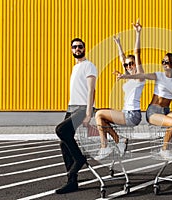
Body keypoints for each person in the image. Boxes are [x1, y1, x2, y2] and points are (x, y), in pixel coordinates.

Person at [117, 37, 172, 159]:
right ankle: (165, 150)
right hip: (153, 112)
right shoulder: (158, 75)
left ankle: (167, 148)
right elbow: (142, 75)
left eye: (167, 62)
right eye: (163, 62)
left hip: (165, 111)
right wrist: (125, 77)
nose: (164, 64)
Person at [95, 20, 145, 159]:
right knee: (101, 119)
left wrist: (138, 33)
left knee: (99, 114)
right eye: (127, 65)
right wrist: (118, 44)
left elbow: (137, 53)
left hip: (133, 115)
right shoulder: (128, 76)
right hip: (126, 113)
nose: (128, 66)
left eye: (131, 64)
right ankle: (119, 140)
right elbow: (122, 58)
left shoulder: (140, 76)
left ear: (136, 64)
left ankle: (106, 146)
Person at [55, 38, 97, 194]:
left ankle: (79, 159)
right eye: (74, 47)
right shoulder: (75, 67)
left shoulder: (89, 66)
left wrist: (88, 113)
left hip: (82, 108)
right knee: (63, 143)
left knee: (60, 130)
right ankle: (71, 180)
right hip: (71, 107)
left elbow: (91, 90)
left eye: (80, 46)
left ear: (85, 48)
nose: (77, 49)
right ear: (71, 50)